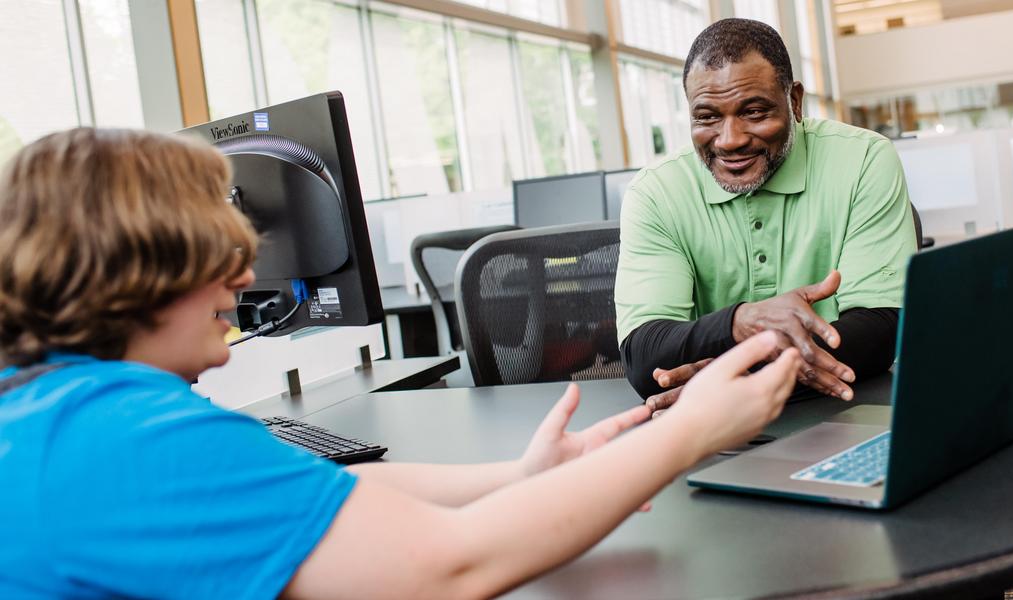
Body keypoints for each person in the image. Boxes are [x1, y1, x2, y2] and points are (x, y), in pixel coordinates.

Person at [0, 127, 803, 599]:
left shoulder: (50, 409)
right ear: (136, 272)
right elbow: (452, 567)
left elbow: (318, 495)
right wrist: (688, 435)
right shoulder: (127, 441)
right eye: (215, 258)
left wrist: (523, 476)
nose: (242, 279)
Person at [616, 18, 917, 409]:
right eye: (707, 117)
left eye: (754, 112)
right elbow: (646, 360)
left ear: (794, 101)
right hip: (713, 431)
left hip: (840, 409)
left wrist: (733, 374)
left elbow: (882, 329)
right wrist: (742, 322)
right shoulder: (656, 192)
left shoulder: (863, 160)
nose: (730, 140)